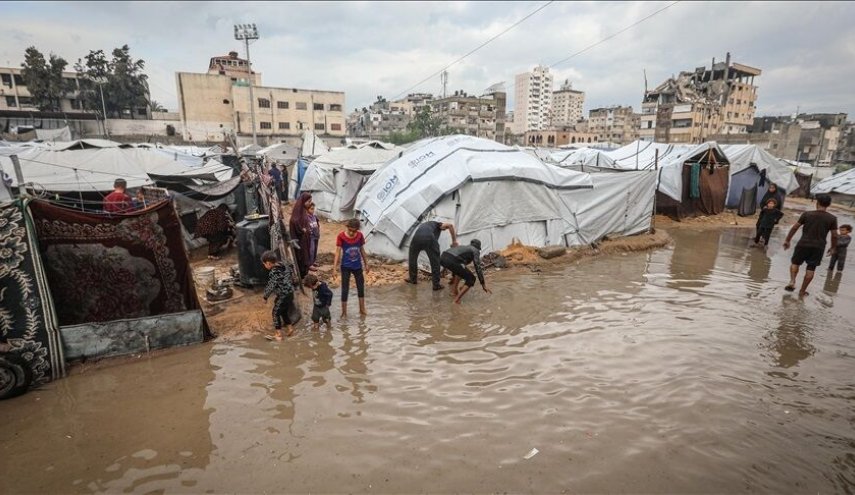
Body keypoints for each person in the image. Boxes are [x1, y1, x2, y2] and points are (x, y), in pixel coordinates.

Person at [783, 194, 838, 296]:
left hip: (803, 244)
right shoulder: (832, 218)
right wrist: (833, 247)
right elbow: (834, 235)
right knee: (811, 269)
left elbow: (795, 227)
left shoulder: (807, 214)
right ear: (828, 205)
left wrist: (787, 240)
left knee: (795, 263)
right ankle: (802, 291)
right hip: (818, 247)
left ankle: (792, 281)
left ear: (817, 203)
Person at [406, 220, 458, 290]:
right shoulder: (438, 225)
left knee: (412, 258)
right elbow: (450, 225)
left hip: (416, 238)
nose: (443, 230)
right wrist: (454, 241)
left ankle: (412, 279)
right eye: (444, 229)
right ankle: (436, 285)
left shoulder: (426, 225)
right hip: (429, 238)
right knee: (435, 262)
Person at [334, 218, 369, 318]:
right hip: (345, 266)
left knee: (360, 288)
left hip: (357, 266)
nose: (352, 233)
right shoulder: (341, 236)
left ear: (357, 230)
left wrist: (366, 263)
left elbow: (362, 250)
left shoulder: (360, 236)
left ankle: (362, 309)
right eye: (350, 230)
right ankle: (344, 312)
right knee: (345, 289)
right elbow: (338, 252)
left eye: (354, 231)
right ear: (347, 227)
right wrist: (334, 268)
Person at [440, 239, 492, 304]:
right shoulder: (475, 250)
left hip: (442, 257)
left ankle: (454, 292)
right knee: (471, 279)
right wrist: (483, 284)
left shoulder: (464, 247)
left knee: (460, 271)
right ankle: (456, 300)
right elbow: (478, 267)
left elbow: (449, 256)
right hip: (452, 260)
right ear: (478, 247)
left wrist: (443, 270)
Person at [261, 250, 296, 340]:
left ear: (268, 263)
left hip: (283, 295)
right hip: (290, 293)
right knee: (283, 311)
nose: (264, 266)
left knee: (275, 313)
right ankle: (290, 328)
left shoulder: (273, 272)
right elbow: (291, 272)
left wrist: (265, 296)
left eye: (264, 264)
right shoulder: (284, 265)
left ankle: (278, 334)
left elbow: (271, 285)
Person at [289, 192, 314, 278]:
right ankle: (302, 276)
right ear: (303, 201)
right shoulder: (298, 211)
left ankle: (305, 275)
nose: (310, 203)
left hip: (305, 240)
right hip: (299, 240)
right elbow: (294, 221)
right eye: (308, 201)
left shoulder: (303, 210)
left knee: (305, 256)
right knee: (301, 257)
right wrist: (302, 230)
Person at [307, 203, 321, 271]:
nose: (313, 210)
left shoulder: (314, 217)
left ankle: (313, 261)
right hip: (311, 236)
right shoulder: (306, 218)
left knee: (315, 249)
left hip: (316, 235)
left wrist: (318, 232)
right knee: (311, 250)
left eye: (313, 209)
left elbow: (317, 225)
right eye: (311, 209)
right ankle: (310, 264)